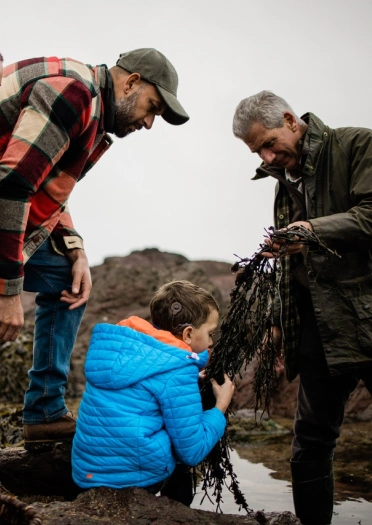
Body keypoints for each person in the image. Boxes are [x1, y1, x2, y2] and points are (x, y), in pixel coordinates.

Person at [0, 48, 189, 450]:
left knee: (66, 277)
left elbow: (46, 184)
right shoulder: (74, 93)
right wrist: (8, 291)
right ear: (132, 82)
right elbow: (13, 185)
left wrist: (76, 250)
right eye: (152, 107)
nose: (150, 123)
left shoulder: (91, 111)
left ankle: (45, 414)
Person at [232, 91, 372, 525]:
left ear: (292, 121)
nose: (268, 156)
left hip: (367, 320)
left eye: (270, 143)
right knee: (310, 442)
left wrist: (312, 229)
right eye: (258, 152)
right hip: (316, 331)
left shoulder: (358, 145)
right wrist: (276, 329)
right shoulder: (283, 179)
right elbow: (296, 270)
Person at [72, 280, 234, 505]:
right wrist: (221, 406)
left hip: (86, 471)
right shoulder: (177, 371)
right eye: (209, 333)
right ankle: (176, 512)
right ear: (188, 334)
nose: (210, 342)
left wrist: (192, 373)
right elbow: (192, 451)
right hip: (134, 479)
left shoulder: (120, 346)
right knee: (181, 461)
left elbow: (144, 387)